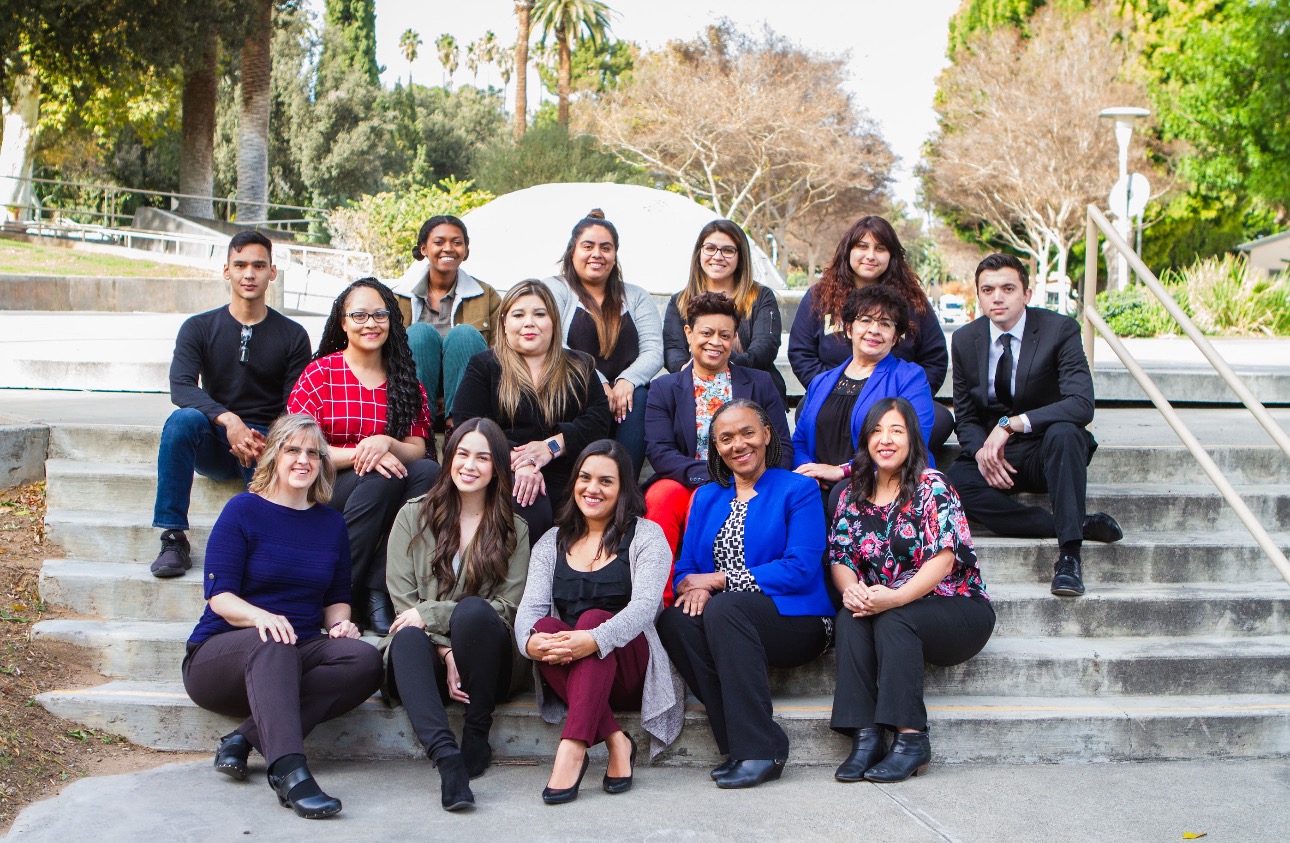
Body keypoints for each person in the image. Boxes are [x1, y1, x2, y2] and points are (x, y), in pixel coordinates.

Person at [181, 414, 382, 820]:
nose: (303, 460)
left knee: (365, 660)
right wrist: (261, 618)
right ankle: (289, 772)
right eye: (293, 450)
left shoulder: (330, 523)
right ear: (274, 455)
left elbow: (336, 598)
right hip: (222, 658)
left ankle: (243, 738)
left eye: (313, 453)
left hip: (296, 650)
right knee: (273, 641)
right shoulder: (243, 510)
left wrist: (340, 624)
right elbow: (220, 598)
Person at [656, 399, 834, 789]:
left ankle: (761, 750)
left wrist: (718, 582)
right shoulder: (706, 497)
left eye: (747, 432)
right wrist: (695, 587)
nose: (738, 444)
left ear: (767, 435)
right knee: (675, 620)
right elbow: (686, 569)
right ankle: (739, 744)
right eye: (726, 438)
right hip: (729, 619)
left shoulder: (798, 489)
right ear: (716, 448)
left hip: (798, 620)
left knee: (727, 607)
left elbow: (800, 567)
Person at [828, 398, 994, 783]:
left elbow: (945, 559)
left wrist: (894, 598)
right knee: (850, 617)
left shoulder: (932, 486)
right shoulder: (852, 493)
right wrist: (852, 591)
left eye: (896, 431)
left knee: (894, 619)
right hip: (890, 606)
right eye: (877, 431)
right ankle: (866, 737)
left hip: (958, 608)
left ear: (912, 438)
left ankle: (911, 740)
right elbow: (840, 556)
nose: (885, 439)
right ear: (865, 440)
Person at [514, 440, 682, 804]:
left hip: (631, 668)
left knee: (591, 619)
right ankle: (617, 740)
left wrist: (594, 638)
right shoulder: (551, 542)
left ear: (623, 489)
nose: (593, 488)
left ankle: (572, 749)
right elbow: (530, 609)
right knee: (544, 629)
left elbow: (645, 609)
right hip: (572, 669)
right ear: (574, 481)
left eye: (606, 481)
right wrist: (529, 642)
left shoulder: (647, 536)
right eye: (585, 478)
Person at [947, 254, 1122, 598]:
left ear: (1027, 293)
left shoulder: (1059, 330)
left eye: (1008, 288)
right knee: (952, 485)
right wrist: (982, 452)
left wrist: (1012, 424)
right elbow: (965, 416)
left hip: (1047, 450)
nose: (998, 297)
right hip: (997, 456)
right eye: (988, 290)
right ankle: (1076, 524)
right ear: (978, 296)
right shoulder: (966, 339)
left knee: (1066, 432)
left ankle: (1069, 557)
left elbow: (1081, 403)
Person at [380, 418, 531, 811]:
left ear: (498, 467)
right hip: (425, 656)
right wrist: (447, 652)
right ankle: (448, 760)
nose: (469, 465)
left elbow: (508, 607)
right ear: (449, 458)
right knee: (406, 638)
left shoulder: (513, 529)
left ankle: (477, 732)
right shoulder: (413, 515)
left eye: (483, 457)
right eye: (462, 454)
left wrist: (435, 615)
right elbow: (404, 605)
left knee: (475, 613)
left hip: (487, 661)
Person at [151, 230, 312, 578]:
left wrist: (267, 440)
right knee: (181, 421)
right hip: (215, 439)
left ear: (272, 272)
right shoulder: (198, 327)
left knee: (279, 448)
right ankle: (173, 538)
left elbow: (295, 404)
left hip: (265, 444)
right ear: (226, 270)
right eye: (240, 265)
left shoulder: (293, 335)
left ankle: (263, 546)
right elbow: (181, 386)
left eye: (258, 265)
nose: (249, 274)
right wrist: (228, 420)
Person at [287, 278, 439, 635]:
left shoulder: (404, 380)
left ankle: (376, 586)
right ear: (343, 322)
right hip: (325, 482)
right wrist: (364, 452)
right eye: (359, 315)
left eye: (379, 315)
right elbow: (296, 446)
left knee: (428, 473)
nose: (371, 323)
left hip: (381, 485)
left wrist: (386, 443)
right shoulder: (320, 374)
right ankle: (345, 591)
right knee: (380, 476)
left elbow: (417, 448)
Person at [644, 292, 793, 603]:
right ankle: (658, 602)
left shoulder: (759, 383)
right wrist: (713, 476)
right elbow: (660, 451)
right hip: (687, 479)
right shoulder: (664, 388)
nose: (715, 342)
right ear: (689, 334)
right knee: (661, 496)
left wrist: (742, 478)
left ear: (734, 338)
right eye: (707, 333)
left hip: (749, 481)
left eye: (725, 335)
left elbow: (782, 446)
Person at [453, 279, 613, 543]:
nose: (529, 323)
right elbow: (468, 423)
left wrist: (551, 447)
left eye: (539, 314)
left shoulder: (580, 365)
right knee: (528, 498)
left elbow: (599, 421)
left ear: (554, 322)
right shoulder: (485, 365)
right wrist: (521, 462)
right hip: (502, 468)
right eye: (518, 315)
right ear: (504, 323)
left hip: (566, 469)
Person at [788, 215, 953, 449]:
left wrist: (905, 393)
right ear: (848, 251)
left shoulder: (913, 300)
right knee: (807, 411)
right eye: (862, 246)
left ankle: (882, 464)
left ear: (892, 255)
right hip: (836, 395)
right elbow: (801, 353)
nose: (871, 256)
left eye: (880, 248)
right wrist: (837, 389)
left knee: (941, 419)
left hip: (895, 400)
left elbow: (934, 358)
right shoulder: (819, 296)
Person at [793, 285, 937, 516]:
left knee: (841, 494)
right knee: (800, 496)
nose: (874, 330)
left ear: (895, 337)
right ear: (849, 328)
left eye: (885, 324)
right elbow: (799, 441)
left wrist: (842, 471)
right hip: (820, 484)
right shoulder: (821, 382)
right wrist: (809, 472)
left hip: (883, 481)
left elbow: (911, 442)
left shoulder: (909, 378)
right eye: (865, 320)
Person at [542, 210, 663, 478]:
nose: (597, 254)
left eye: (605, 248)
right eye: (588, 246)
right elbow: (553, 344)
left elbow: (654, 349)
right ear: (573, 251)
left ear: (615, 255)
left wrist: (627, 380)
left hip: (625, 401)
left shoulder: (636, 296)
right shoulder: (554, 289)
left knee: (642, 396)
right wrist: (599, 383)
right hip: (573, 392)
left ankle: (624, 486)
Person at [391, 215, 502, 428]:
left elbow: (501, 353)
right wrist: (431, 401)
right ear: (424, 248)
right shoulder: (398, 298)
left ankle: (459, 429)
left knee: (464, 335)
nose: (448, 248)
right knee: (419, 333)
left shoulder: (486, 296)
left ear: (466, 250)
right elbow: (385, 356)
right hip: (413, 406)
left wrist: (454, 403)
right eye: (439, 242)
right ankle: (417, 430)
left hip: (470, 406)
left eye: (457, 242)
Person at [662, 220, 786, 398]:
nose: (718, 256)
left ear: (740, 257)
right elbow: (673, 349)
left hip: (750, 389)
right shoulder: (680, 301)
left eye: (728, 250)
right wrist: (690, 372)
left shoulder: (761, 297)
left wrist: (724, 369)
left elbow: (765, 347)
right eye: (710, 248)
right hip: (692, 387)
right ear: (699, 253)